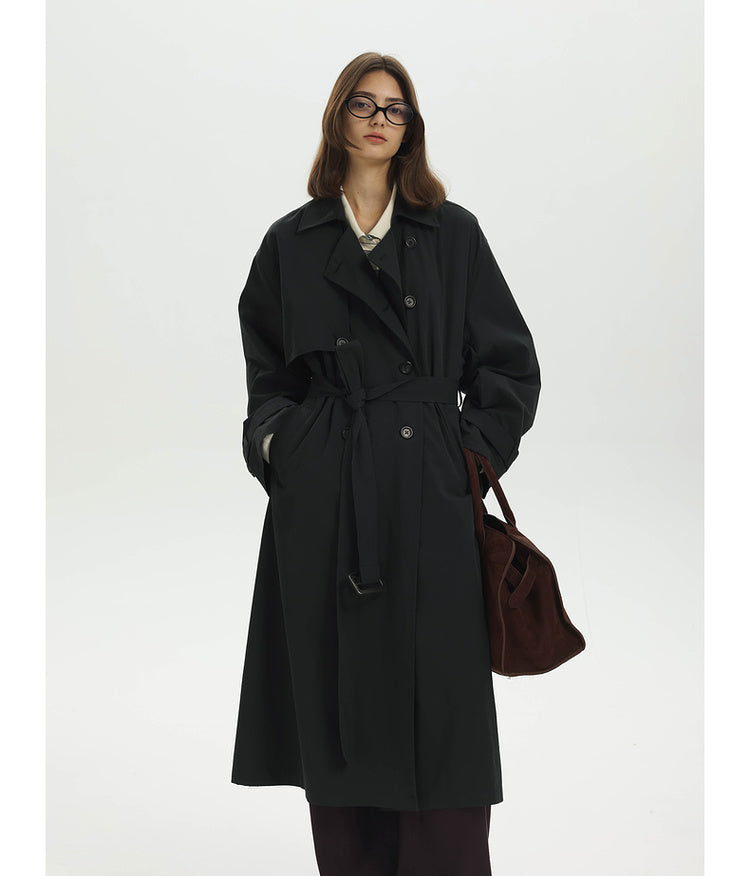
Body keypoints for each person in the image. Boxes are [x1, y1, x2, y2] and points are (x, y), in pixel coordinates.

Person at [231, 52, 542, 875]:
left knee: (441, 713)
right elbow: (268, 380)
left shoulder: (454, 234)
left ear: (412, 128)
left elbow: (510, 368)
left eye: (395, 109)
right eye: (364, 105)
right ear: (338, 117)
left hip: (429, 500)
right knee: (339, 703)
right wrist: (284, 450)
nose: (379, 119)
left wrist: (464, 459)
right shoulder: (290, 242)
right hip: (326, 503)